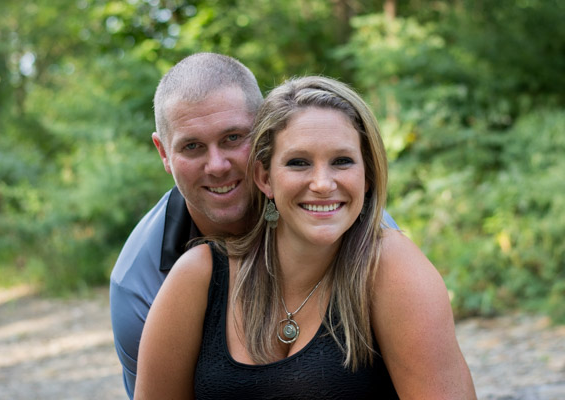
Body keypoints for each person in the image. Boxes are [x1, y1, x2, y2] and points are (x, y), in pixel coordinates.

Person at [135, 76, 477, 399]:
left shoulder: (392, 267)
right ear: (264, 177)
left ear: (368, 176)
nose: (323, 184)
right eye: (298, 163)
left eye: (342, 161)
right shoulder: (197, 275)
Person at [109, 53, 402, 398]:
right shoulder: (137, 286)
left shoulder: (340, 215)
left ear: (266, 132)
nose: (217, 165)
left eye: (233, 137)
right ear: (163, 153)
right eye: (192, 146)